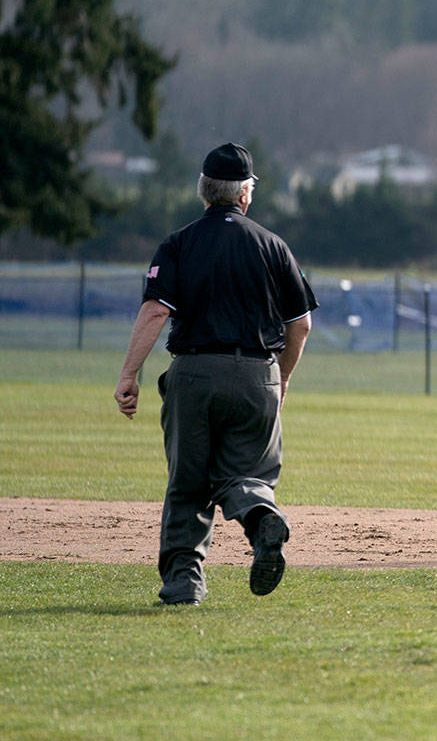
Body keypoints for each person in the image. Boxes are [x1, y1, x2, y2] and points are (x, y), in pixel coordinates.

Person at [114, 142, 318, 606]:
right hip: (257, 373)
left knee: (189, 480)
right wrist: (281, 379)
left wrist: (129, 375)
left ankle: (184, 581)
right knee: (247, 471)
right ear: (245, 194)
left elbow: (154, 312)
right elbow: (300, 323)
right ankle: (258, 510)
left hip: (194, 374)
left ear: (204, 192)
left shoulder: (180, 242)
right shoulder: (273, 245)